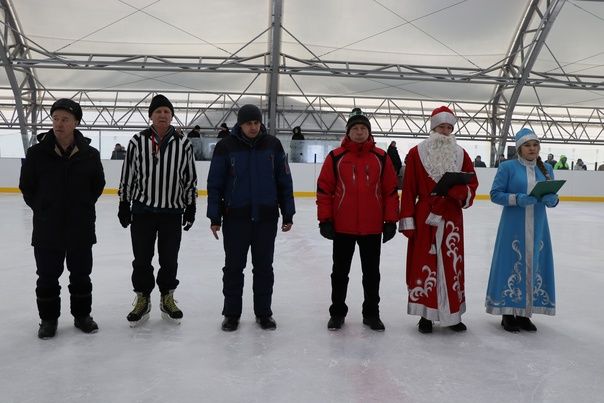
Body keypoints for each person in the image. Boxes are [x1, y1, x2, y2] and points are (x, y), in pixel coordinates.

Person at [19, 98, 106, 339]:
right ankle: (48, 320)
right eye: (55, 118)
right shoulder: (36, 153)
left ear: (76, 123)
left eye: (65, 119)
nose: (59, 123)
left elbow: (98, 185)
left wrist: (83, 205)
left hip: (80, 226)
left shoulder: (89, 154)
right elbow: (27, 187)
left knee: (81, 274)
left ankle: (82, 316)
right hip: (48, 227)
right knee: (47, 276)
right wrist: (43, 208)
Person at [207, 104, 295, 332]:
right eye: (249, 123)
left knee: (264, 268)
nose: (253, 127)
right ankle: (231, 314)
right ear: (240, 124)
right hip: (236, 218)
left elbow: (284, 180)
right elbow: (215, 184)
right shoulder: (225, 146)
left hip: (266, 218)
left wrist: (288, 212)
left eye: (256, 123)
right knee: (234, 268)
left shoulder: (272, 145)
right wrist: (214, 216)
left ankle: (264, 313)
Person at [118, 94, 197, 327]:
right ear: (150, 116)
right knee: (142, 259)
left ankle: (167, 298)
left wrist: (190, 206)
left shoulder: (184, 143)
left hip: (172, 213)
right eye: (158, 111)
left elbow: (189, 178)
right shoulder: (136, 141)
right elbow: (128, 175)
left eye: (167, 111)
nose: (163, 115)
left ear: (172, 116)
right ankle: (143, 298)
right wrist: (124, 203)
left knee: (169, 259)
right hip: (142, 211)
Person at [317, 108, 399, 332]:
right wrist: (325, 219)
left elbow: (390, 191)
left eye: (363, 128)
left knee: (371, 274)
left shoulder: (381, 157)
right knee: (340, 273)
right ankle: (337, 313)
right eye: (355, 128)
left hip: (372, 227)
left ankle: (372, 314)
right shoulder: (336, 157)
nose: (360, 132)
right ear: (348, 132)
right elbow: (324, 190)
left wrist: (391, 221)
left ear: (369, 132)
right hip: (342, 227)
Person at [399, 106, 478, 334]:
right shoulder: (416, 153)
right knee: (423, 263)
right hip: (425, 216)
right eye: (441, 127)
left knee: (452, 264)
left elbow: (472, 183)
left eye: (449, 127)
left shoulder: (462, 154)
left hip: (452, 216)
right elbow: (410, 188)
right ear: (432, 128)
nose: (445, 131)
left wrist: (460, 193)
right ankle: (425, 314)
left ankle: (453, 315)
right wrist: (407, 221)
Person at [485, 128, 558, 332]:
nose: (532, 149)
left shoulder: (546, 169)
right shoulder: (507, 167)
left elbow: (552, 193)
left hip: (539, 225)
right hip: (513, 227)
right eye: (527, 145)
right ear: (519, 148)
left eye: (535, 145)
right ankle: (508, 313)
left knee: (535, 263)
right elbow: (495, 194)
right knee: (511, 262)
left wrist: (553, 200)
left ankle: (525, 313)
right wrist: (517, 199)